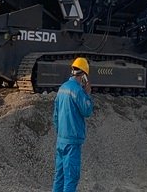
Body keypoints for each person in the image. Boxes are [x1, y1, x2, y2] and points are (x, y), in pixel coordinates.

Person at [52, 57, 94, 192]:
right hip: (72, 141)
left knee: (59, 177)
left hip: (61, 140)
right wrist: (87, 94)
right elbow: (87, 111)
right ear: (84, 75)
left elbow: (55, 115)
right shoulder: (78, 91)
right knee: (71, 178)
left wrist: (60, 133)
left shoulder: (62, 88)